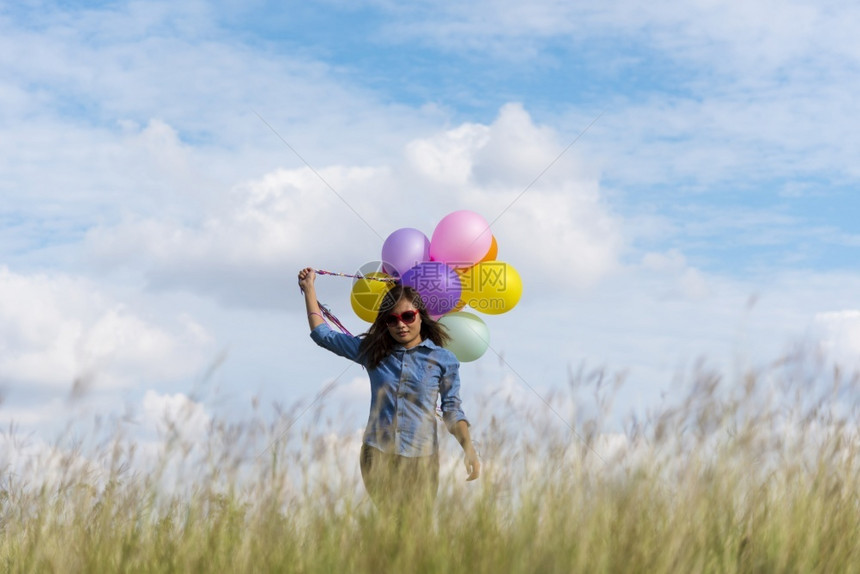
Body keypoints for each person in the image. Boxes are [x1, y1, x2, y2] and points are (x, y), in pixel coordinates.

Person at [297, 267, 480, 516]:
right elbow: (322, 335)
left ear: (420, 316)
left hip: (422, 459)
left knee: (417, 530)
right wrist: (309, 289)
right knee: (392, 522)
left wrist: (469, 449)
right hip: (378, 454)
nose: (400, 325)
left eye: (407, 316)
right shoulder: (373, 352)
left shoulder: (443, 359)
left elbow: (452, 411)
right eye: (392, 320)